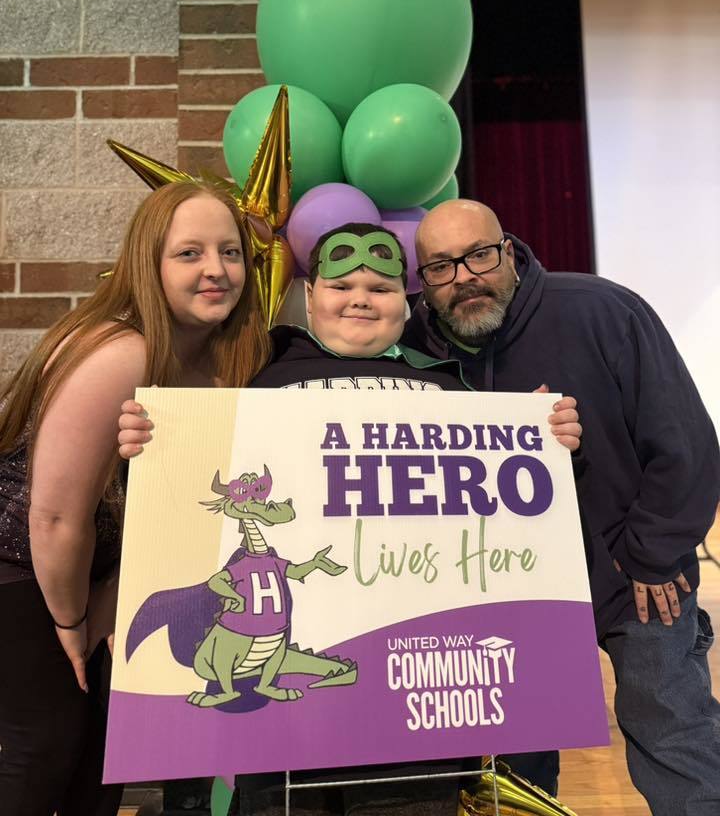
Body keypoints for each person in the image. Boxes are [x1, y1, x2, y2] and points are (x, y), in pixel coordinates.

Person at [119, 222, 582, 816]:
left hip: (414, 719)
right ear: (309, 297)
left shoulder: (450, 390)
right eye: (340, 285)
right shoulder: (255, 374)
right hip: (283, 733)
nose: (360, 298)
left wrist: (546, 439)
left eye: (381, 288)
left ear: (407, 304)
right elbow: (188, 502)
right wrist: (149, 447)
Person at [402, 198, 720, 816]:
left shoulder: (604, 310)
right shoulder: (413, 348)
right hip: (507, 590)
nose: (464, 277)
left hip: (633, 574)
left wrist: (652, 555)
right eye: (440, 267)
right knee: (514, 767)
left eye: (479, 256)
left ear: (510, 252)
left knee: (674, 734)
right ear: (424, 281)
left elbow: (687, 445)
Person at [0, 182, 271, 816]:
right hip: (21, 569)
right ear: (147, 263)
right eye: (189, 253)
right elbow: (55, 517)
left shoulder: (220, 356)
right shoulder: (122, 350)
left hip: (93, 571)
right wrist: (74, 625)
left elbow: (162, 516)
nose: (216, 270)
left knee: (102, 760)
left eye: (231, 252)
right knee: (43, 749)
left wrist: (106, 603)